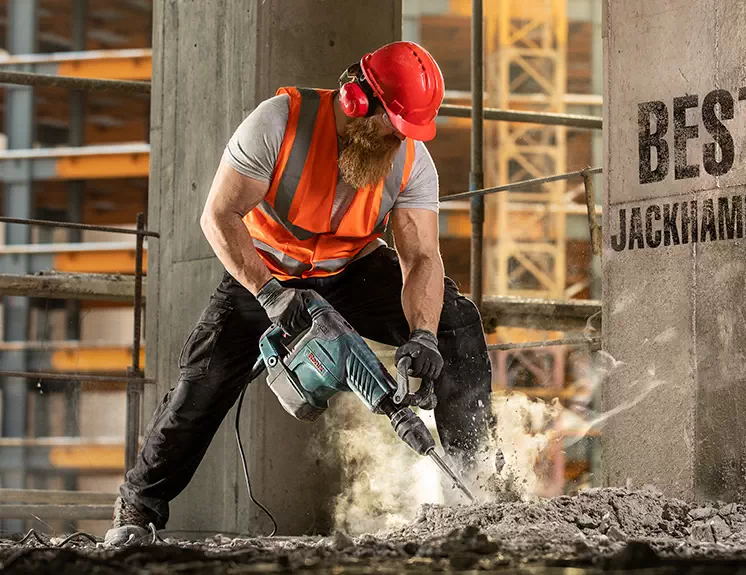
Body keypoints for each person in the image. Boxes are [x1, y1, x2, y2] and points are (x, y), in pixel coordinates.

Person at [105, 41, 495, 545]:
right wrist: (269, 295)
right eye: (394, 124)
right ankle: (137, 510)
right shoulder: (277, 123)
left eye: (409, 130)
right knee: (203, 384)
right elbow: (219, 216)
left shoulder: (411, 161)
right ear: (356, 99)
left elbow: (421, 257)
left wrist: (423, 335)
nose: (400, 138)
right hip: (263, 272)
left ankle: (475, 484)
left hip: (349, 269)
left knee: (455, 322)